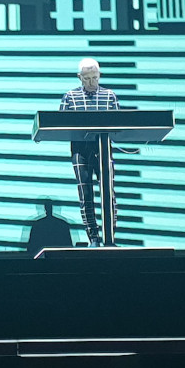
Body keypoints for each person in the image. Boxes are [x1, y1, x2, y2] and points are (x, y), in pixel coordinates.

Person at [59, 58, 119, 247]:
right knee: (86, 195)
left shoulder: (109, 96)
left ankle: (110, 237)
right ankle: (93, 237)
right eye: (87, 78)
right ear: (79, 77)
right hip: (80, 150)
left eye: (95, 77)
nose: (92, 82)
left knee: (108, 194)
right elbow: (59, 124)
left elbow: (119, 124)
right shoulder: (70, 97)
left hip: (102, 149)